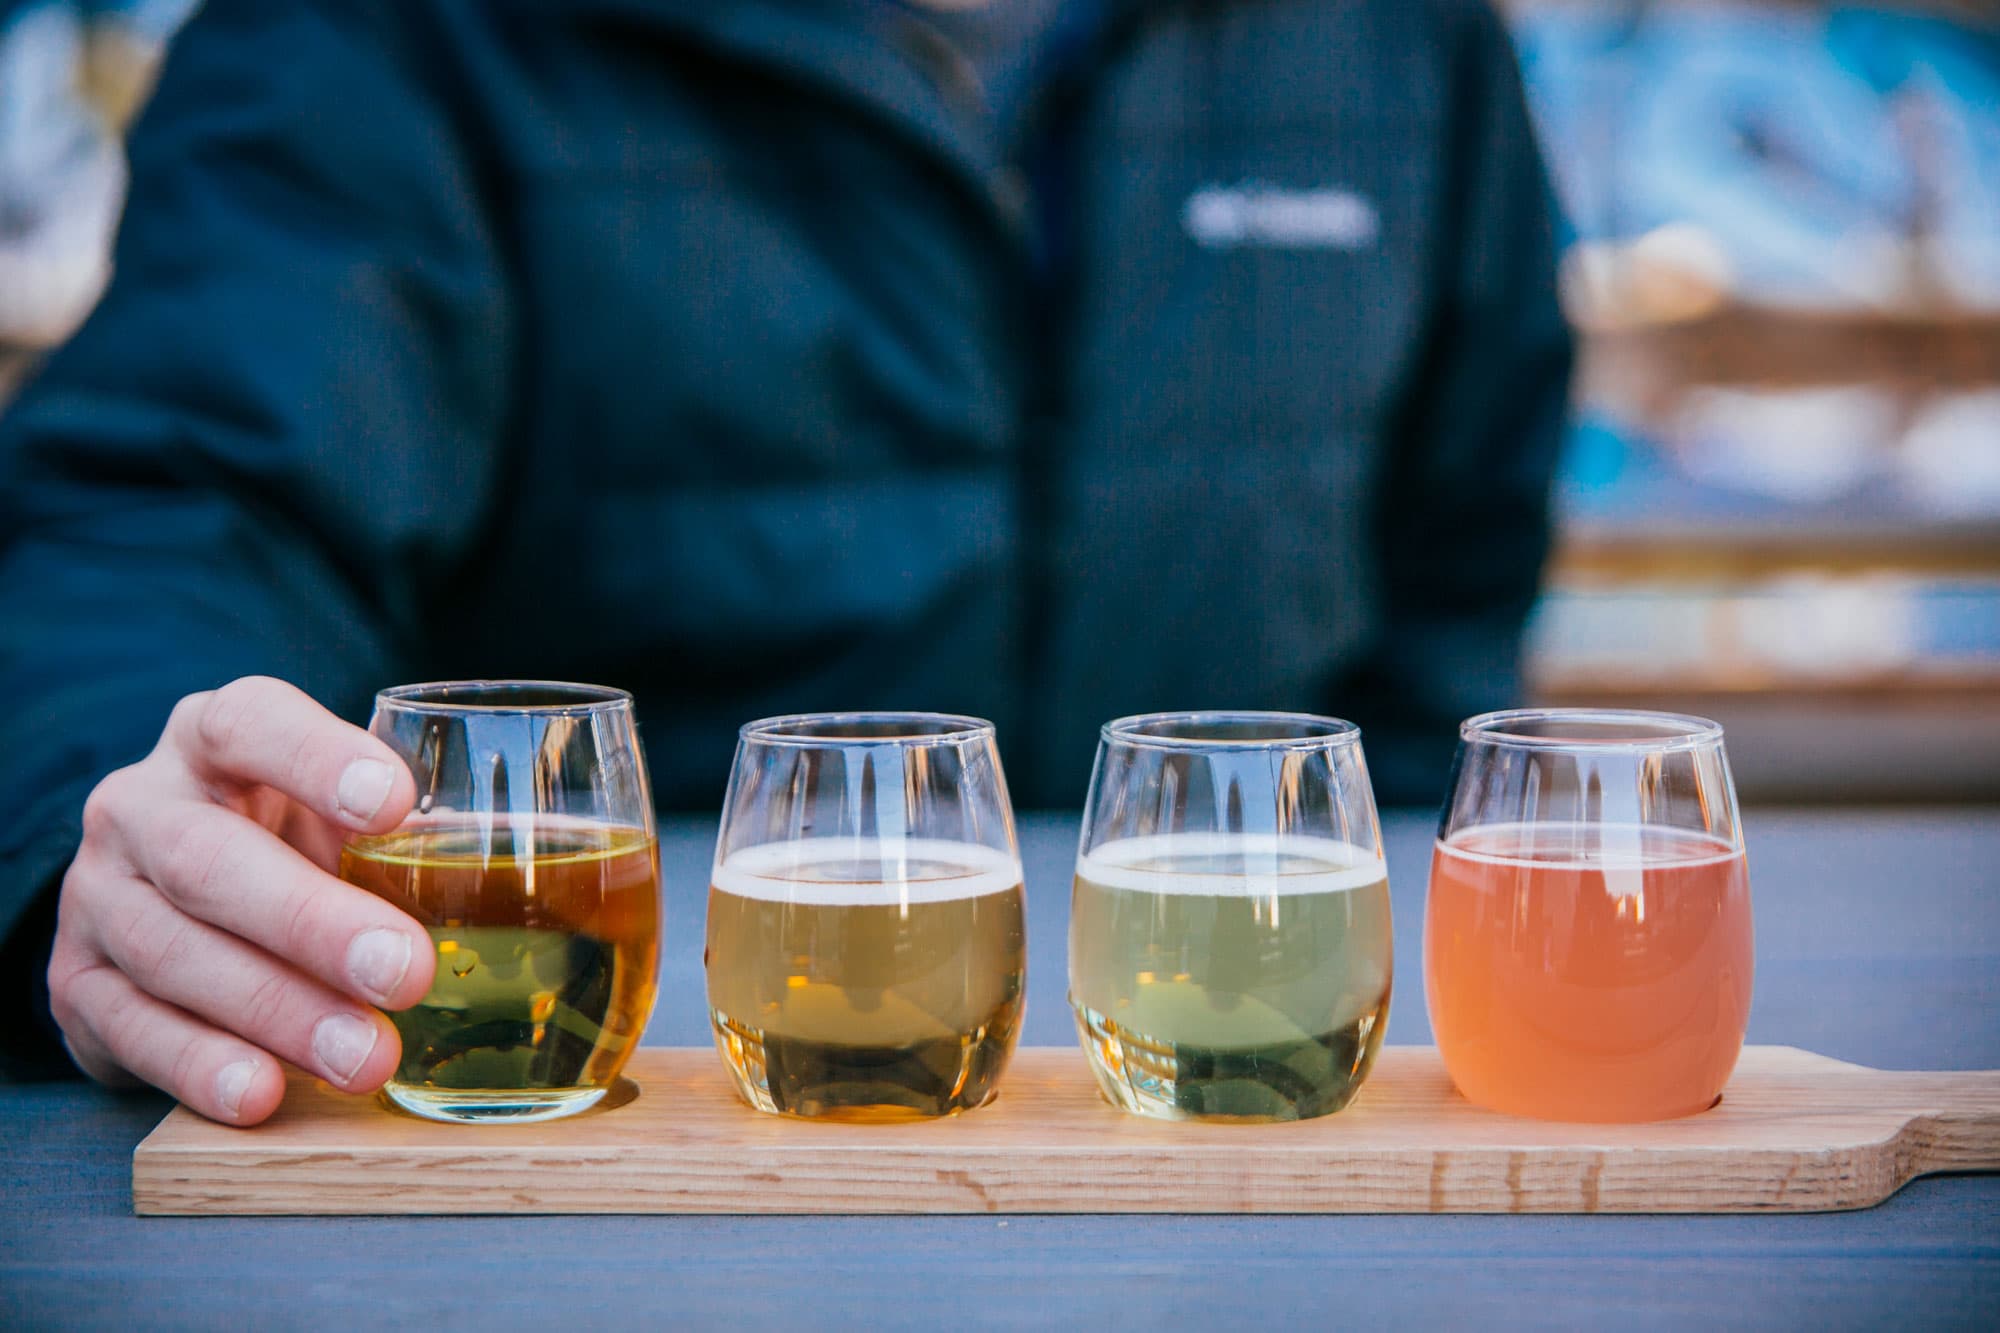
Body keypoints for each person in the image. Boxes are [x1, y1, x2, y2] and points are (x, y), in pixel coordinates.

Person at [0, 0, 1571, 1116]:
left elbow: (1458, 557)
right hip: (574, 1138)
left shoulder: (1408, 37)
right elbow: (174, 505)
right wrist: (111, 826)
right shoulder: (385, 38)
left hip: (1245, 1156)